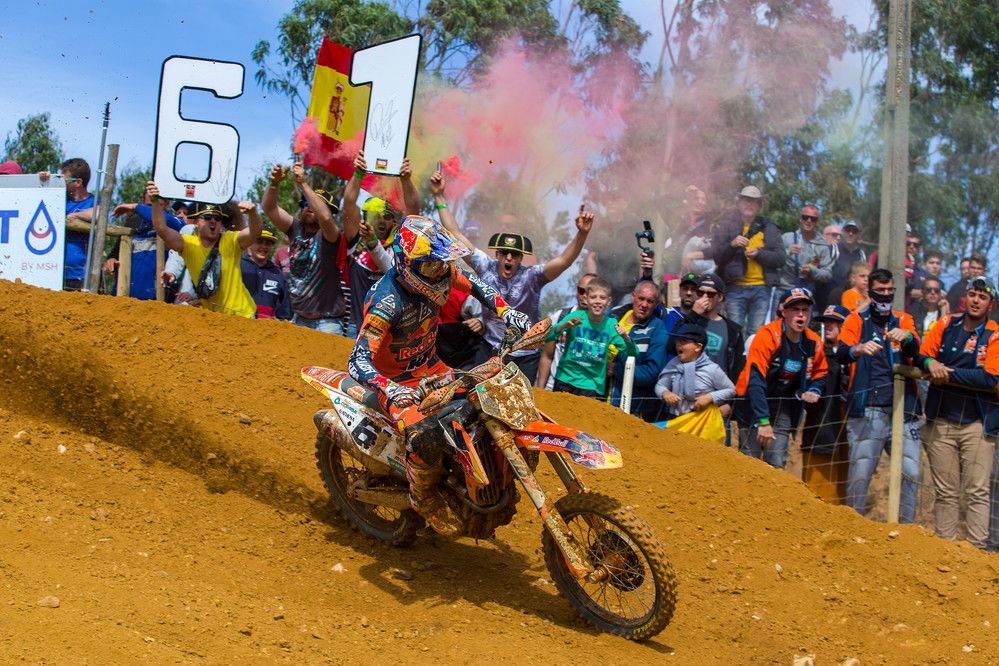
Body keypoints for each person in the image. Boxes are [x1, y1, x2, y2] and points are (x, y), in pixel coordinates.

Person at [348, 215, 531, 535]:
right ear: (407, 264)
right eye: (432, 265)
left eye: (442, 263)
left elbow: (477, 285)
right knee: (425, 436)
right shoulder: (386, 301)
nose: (441, 271)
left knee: (485, 402)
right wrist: (388, 389)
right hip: (398, 383)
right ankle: (425, 499)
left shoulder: (442, 273)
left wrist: (506, 311)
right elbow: (357, 358)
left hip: (433, 369)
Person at [434, 170, 593, 383]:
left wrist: (582, 233)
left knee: (518, 409)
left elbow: (564, 260)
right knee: (476, 398)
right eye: (505, 254)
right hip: (490, 349)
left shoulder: (533, 277)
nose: (509, 258)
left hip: (525, 355)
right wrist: (439, 197)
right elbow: (456, 235)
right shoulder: (484, 266)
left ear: (521, 259)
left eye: (515, 255)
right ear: (497, 255)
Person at [917, 276, 999, 550]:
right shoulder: (945, 323)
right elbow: (921, 355)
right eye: (973, 294)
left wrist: (946, 373)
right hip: (941, 420)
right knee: (946, 492)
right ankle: (946, 551)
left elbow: (989, 378)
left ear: (991, 304)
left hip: (977, 424)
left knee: (977, 491)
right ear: (965, 297)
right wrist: (930, 362)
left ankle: (977, 552)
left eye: (982, 297)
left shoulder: (995, 333)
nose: (976, 300)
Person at [837, 268, 922, 523]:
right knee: (861, 471)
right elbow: (840, 353)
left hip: (903, 408)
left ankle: (907, 529)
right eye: (880, 291)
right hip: (868, 406)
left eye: (890, 291)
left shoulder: (903, 319)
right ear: (869, 291)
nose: (885, 296)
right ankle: (854, 526)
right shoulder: (855, 320)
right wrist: (858, 348)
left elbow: (917, 350)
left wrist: (906, 337)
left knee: (910, 470)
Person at [262, 160, 362, 335]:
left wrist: (303, 184)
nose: (309, 206)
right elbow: (269, 208)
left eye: (314, 203)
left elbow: (324, 217)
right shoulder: (295, 227)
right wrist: (273, 184)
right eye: (305, 203)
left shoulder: (331, 234)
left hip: (327, 322)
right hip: (299, 318)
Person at [734, 287, 827, 469]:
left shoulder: (813, 341)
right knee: (748, 464)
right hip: (754, 402)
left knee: (776, 463)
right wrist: (763, 421)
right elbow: (755, 378)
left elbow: (821, 372)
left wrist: (815, 389)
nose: (801, 315)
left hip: (783, 404)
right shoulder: (767, 335)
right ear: (783, 312)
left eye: (805, 310)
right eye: (795, 310)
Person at [148, 183, 261, 317]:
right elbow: (162, 229)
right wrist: (155, 201)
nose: (213, 221)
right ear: (196, 222)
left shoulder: (231, 240)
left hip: (244, 315)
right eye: (207, 218)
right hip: (213, 317)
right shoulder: (188, 243)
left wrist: (253, 213)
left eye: (218, 218)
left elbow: (255, 232)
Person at [537, 277, 636, 397]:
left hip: (592, 387)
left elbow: (633, 352)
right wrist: (563, 326)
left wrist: (625, 336)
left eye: (602, 297)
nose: (598, 301)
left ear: (609, 300)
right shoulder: (575, 316)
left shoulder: (611, 325)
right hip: (565, 380)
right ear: (586, 299)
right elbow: (547, 337)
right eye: (593, 297)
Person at [711, 185, 786, 336]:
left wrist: (759, 254)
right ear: (739, 202)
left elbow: (780, 258)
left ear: (759, 206)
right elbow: (717, 255)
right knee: (735, 334)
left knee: (756, 335)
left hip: (762, 289)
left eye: (754, 201)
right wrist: (732, 245)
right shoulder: (726, 225)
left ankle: (753, 360)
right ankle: (736, 360)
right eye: (746, 200)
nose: (749, 204)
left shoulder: (769, 227)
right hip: (735, 288)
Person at [800, 305, 851, 504]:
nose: (829, 325)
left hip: (850, 416)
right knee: (818, 474)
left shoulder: (857, 353)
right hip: (822, 418)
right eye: (826, 321)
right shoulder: (816, 351)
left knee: (845, 469)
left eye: (835, 321)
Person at [608, 280, 669, 421]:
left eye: (650, 301)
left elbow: (651, 373)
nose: (644, 305)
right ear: (633, 296)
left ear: (656, 305)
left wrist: (616, 370)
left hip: (632, 411)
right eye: (641, 298)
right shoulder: (612, 319)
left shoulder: (657, 329)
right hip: (599, 401)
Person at [655, 324, 735, 419]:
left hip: (702, 420)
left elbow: (731, 389)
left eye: (684, 341)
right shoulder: (673, 365)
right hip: (675, 418)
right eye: (678, 341)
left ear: (698, 347)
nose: (678, 344)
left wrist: (709, 397)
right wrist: (665, 393)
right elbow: (660, 385)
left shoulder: (711, 368)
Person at [347, 195, 398, 334]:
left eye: (387, 216)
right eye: (376, 215)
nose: (382, 220)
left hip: (383, 330)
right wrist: (358, 175)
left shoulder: (398, 247)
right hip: (354, 326)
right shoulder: (355, 240)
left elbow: (391, 269)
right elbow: (349, 202)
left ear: (393, 221)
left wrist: (372, 241)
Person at [42, 158, 94, 290]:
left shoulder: (94, 200)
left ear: (78, 182)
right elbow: (39, 201)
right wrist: (44, 181)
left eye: (63, 179)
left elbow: (99, 214)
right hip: (53, 271)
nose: (61, 182)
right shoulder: (59, 198)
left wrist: (75, 216)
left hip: (81, 273)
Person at [539, 273, 597, 390]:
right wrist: (540, 389)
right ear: (576, 291)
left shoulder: (602, 325)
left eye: (589, 292)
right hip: (555, 386)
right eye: (581, 291)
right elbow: (547, 356)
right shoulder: (561, 316)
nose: (584, 295)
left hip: (585, 391)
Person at [778, 205, 836, 309]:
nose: (808, 221)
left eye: (813, 219)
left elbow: (828, 274)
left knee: (801, 325)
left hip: (806, 293)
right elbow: (774, 260)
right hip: (784, 290)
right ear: (801, 218)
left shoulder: (823, 245)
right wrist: (787, 252)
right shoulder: (787, 238)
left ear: (817, 222)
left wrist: (812, 271)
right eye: (805, 217)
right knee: (778, 325)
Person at [240, 228, 291, 320]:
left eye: (268, 243)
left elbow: (284, 309)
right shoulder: (238, 267)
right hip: (238, 324)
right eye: (259, 241)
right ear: (251, 243)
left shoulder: (278, 274)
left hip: (267, 329)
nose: (264, 246)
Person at [831, 220, 867, 288]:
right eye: (847, 230)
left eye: (854, 231)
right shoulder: (832, 250)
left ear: (860, 235)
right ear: (842, 231)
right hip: (832, 296)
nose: (850, 233)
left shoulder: (862, 255)